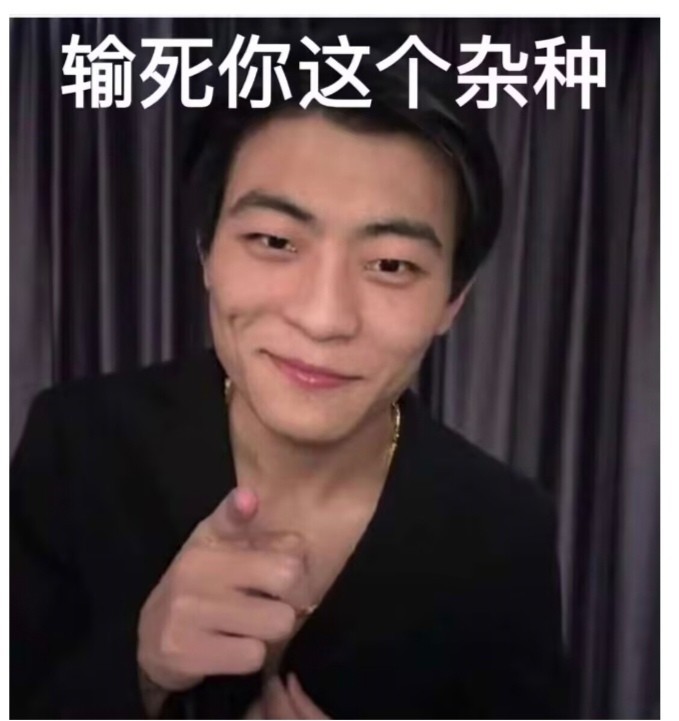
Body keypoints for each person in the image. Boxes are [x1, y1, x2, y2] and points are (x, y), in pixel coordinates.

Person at [11, 36, 571, 719]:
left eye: (391, 265)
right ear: (206, 249)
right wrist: (141, 665)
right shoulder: (79, 444)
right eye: (275, 241)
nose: (323, 317)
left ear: (452, 299)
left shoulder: (504, 531)